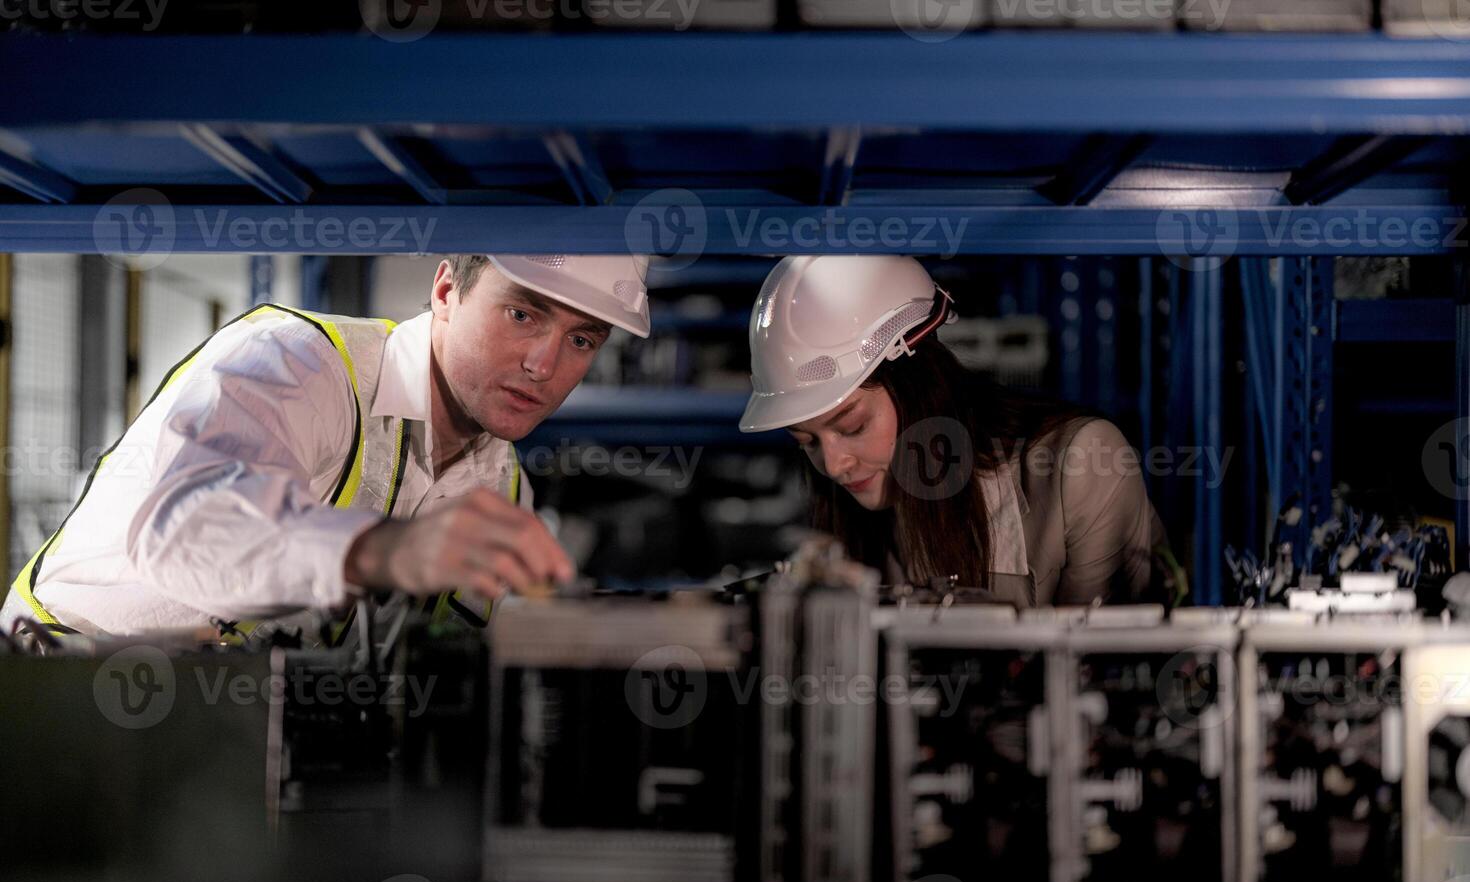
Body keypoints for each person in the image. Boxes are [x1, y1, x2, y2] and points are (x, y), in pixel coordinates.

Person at [3, 254, 651, 637]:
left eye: (581, 340)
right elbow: (183, 529)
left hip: (234, 735)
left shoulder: (502, 488)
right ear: (447, 291)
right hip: (57, 686)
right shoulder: (296, 362)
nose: (544, 364)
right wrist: (384, 550)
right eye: (523, 314)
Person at [739, 255, 1175, 607]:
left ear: (920, 386)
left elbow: (1105, 678)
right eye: (806, 441)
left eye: (853, 426)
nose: (833, 465)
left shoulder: (1079, 466)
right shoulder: (857, 504)